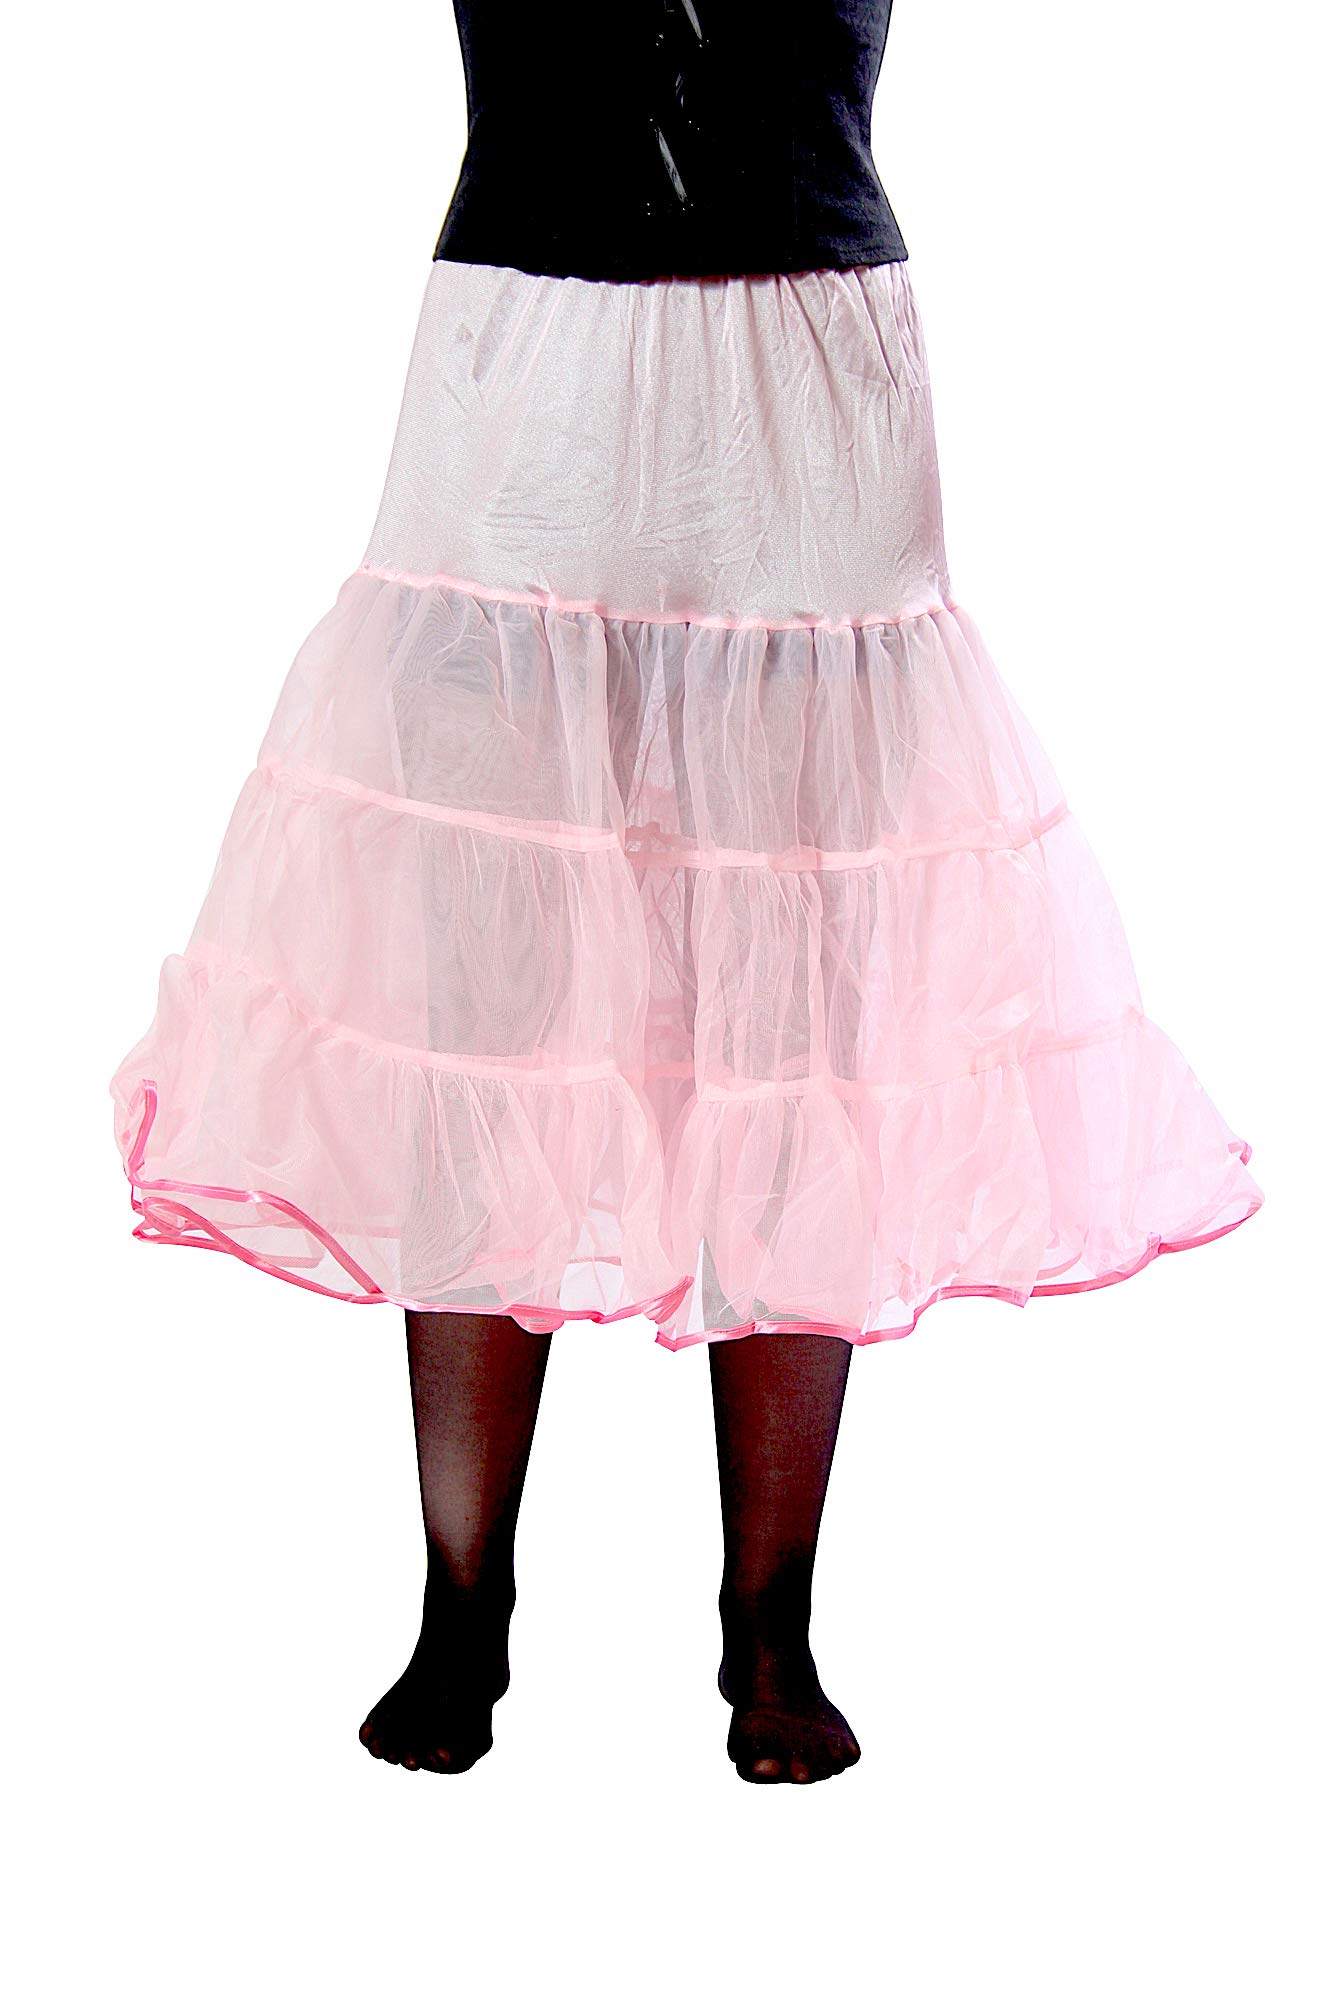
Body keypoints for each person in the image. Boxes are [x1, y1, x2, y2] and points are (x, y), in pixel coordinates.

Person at [111, 1, 1262, 1784]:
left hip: (804, 391)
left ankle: (769, 1619)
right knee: (485, 1010)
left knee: (798, 1016)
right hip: (528, 382)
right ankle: (461, 1600)